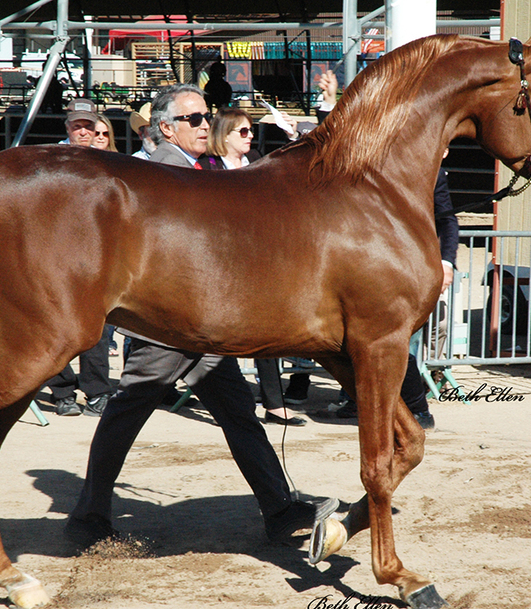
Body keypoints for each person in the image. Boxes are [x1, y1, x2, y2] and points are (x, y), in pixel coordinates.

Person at [66, 84, 336, 549]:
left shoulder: (190, 169)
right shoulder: (168, 171)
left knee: (236, 413)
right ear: (166, 128)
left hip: (201, 322)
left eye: (206, 116)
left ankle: (278, 509)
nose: (205, 125)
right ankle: (89, 515)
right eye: (194, 119)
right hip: (169, 322)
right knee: (129, 409)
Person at [313, 72, 457, 430]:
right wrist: (330, 103)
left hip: (409, 268)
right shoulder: (377, 164)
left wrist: (446, 261)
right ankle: (357, 401)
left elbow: (447, 220)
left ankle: (417, 408)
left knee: (387, 341)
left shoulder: (432, 175)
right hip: (371, 262)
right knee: (355, 340)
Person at [201, 107, 305, 427]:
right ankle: (226, 403)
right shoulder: (207, 165)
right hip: (219, 260)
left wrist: (291, 135)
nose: (249, 137)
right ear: (225, 135)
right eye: (243, 132)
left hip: (258, 257)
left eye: (250, 132)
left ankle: (274, 403)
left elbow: (293, 167)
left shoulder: (257, 159)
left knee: (266, 329)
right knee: (219, 333)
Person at [43, 99, 114, 416]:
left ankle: (97, 391)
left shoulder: (106, 161)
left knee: (96, 327)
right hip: (57, 253)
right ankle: (62, 393)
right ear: (68, 127)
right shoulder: (52, 160)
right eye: (78, 125)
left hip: (96, 255)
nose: (83, 131)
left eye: (88, 125)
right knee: (56, 325)